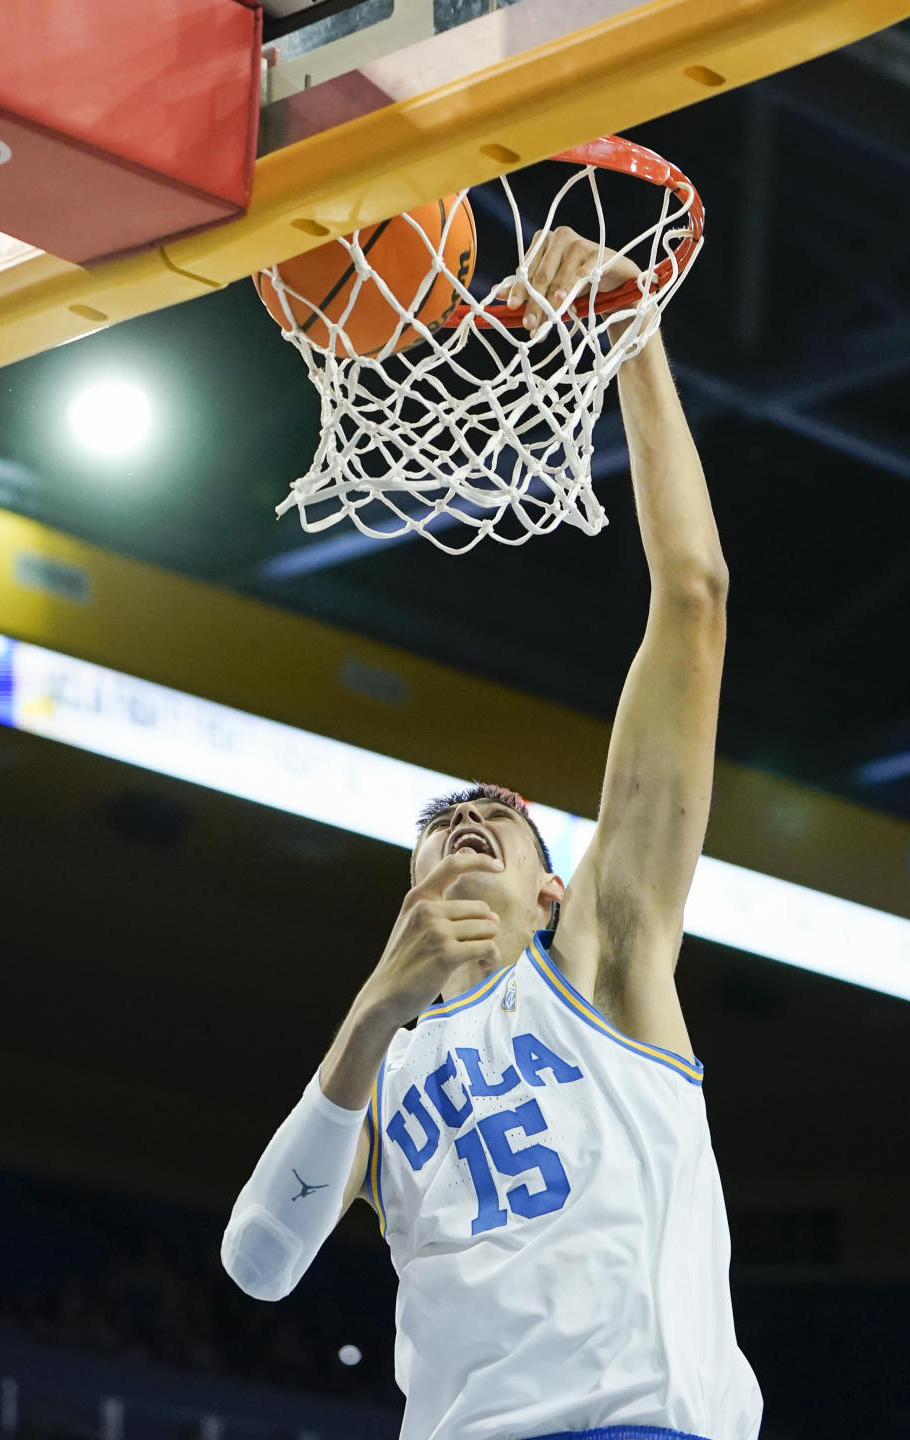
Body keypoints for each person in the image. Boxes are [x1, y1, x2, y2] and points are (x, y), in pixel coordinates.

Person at [221, 227, 764, 1440]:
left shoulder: (608, 961)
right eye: (447, 823)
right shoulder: (384, 1068)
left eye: (501, 822)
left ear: (553, 894)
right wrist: (370, 1014)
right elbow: (259, 1264)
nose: (471, 821)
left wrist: (634, 335)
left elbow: (695, 597)